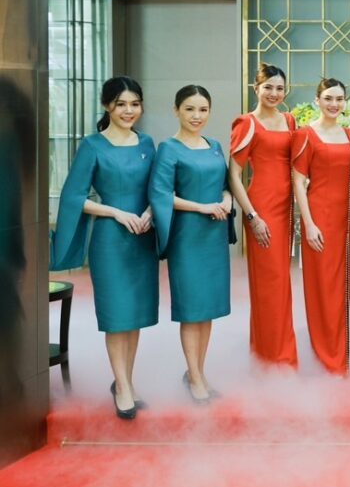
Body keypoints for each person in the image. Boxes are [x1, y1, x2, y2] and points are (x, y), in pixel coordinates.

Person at [51, 76, 158, 419]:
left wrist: (150, 212)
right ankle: (122, 387)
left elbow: (158, 188)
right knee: (116, 315)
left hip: (142, 237)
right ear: (107, 105)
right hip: (110, 241)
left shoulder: (147, 143)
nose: (129, 111)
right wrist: (115, 212)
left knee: (135, 315)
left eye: (135, 104)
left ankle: (126, 380)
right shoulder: (93, 146)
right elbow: (73, 197)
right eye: (121, 104)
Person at [150, 85, 232, 404]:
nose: (197, 116)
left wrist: (226, 200)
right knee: (191, 309)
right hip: (187, 237)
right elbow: (161, 194)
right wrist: (202, 207)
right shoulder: (168, 148)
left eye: (203, 110)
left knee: (207, 309)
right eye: (189, 109)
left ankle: (198, 372)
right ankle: (194, 377)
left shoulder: (215, 146)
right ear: (176, 110)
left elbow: (225, 185)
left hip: (214, 236)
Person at [228, 63, 298, 367]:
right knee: (270, 283)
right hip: (262, 208)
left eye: (279, 88)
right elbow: (234, 175)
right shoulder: (247, 123)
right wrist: (252, 216)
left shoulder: (290, 120)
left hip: (286, 208)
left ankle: (276, 352)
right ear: (256, 88)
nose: (274, 93)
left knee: (283, 283)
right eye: (268, 87)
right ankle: (273, 358)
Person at [291, 78, 350, 375]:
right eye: (328, 98)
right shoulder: (305, 135)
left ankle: (339, 354)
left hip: (346, 218)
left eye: (339, 99)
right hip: (319, 218)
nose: (334, 104)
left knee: (343, 288)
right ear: (317, 101)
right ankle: (325, 355)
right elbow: (298, 182)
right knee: (321, 288)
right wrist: (308, 224)